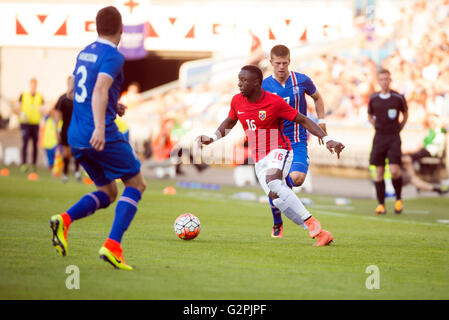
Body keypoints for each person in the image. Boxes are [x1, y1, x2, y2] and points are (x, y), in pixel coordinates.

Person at [197, 65, 345, 246]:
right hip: (258, 157)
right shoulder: (237, 101)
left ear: (256, 82)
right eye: (239, 80)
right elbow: (229, 121)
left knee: (273, 181)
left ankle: (311, 220)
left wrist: (327, 138)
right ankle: (319, 233)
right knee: (277, 200)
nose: (239, 84)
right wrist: (212, 137)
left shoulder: (274, 102)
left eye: (244, 80)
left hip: (279, 148)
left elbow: (303, 119)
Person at [49, 6, 146, 271]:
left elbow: (74, 87)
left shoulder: (86, 51)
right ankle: (113, 246)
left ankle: (65, 219)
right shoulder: (113, 56)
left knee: (108, 191)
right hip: (98, 133)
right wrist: (101, 129)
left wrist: (114, 105)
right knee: (136, 185)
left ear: (96, 27)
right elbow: (100, 89)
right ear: (121, 29)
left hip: (76, 136)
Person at [262, 44, 327, 238]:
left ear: (289, 61)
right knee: (276, 185)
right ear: (271, 63)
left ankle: (282, 191)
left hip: (298, 139)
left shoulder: (302, 80)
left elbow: (318, 98)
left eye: (285, 63)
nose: (281, 67)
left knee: (296, 180)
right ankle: (277, 222)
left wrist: (321, 121)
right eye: (277, 63)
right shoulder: (264, 86)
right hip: (276, 142)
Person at [368, 68, 408, 215]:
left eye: (387, 79)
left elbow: (405, 113)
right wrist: (376, 125)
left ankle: (398, 200)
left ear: (390, 80)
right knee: (378, 173)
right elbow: (369, 115)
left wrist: (400, 127)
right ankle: (381, 205)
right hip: (379, 138)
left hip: (393, 138)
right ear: (378, 81)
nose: (384, 82)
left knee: (394, 170)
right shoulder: (373, 98)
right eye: (382, 79)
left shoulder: (398, 98)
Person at [402, 113, 448, 195]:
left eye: (432, 120)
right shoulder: (429, 131)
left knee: (407, 158)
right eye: (430, 120)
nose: (431, 122)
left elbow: (444, 123)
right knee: (407, 156)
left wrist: (437, 121)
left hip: (431, 151)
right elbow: (422, 144)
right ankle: (413, 175)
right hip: (425, 150)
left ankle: (412, 175)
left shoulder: (440, 129)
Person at [54, 77, 81, 183]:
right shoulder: (62, 99)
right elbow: (57, 116)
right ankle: (65, 173)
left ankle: (77, 172)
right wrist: (56, 130)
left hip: (77, 128)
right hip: (66, 128)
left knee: (77, 150)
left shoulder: (79, 98)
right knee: (66, 152)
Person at [16, 78, 45, 173]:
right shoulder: (23, 95)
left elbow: (43, 108)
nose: (33, 86)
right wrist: (21, 114)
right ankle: (24, 163)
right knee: (25, 143)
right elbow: (18, 108)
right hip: (25, 123)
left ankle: (33, 164)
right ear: (30, 85)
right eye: (32, 85)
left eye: (35, 85)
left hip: (35, 123)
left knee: (35, 145)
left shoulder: (40, 96)